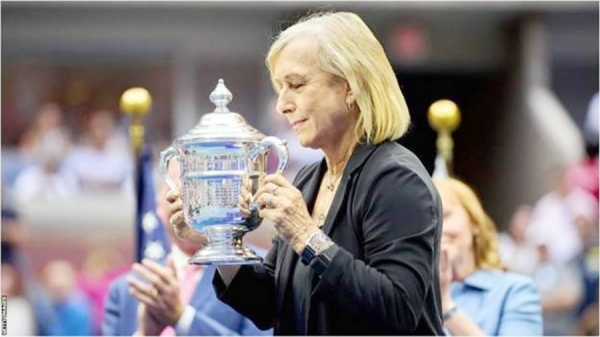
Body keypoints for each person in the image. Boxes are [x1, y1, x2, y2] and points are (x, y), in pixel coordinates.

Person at [167, 11, 444, 335]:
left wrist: (305, 235)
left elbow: (397, 310)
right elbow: (268, 306)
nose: (282, 105)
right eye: (280, 88)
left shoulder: (396, 179)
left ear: (351, 86)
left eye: (296, 85)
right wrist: (217, 237)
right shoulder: (310, 178)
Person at [103, 159, 268, 336]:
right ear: (158, 205)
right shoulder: (127, 291)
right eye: (176, 192)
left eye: (201, 191)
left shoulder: (261, 270)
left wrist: (182, 319)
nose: (189, 204)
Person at [434, 178, 543, 335]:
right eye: (428, 220)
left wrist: (446, 307)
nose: (436, 228)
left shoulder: (514, 291)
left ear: (475, 223)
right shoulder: (413, 294)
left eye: (445, 215)